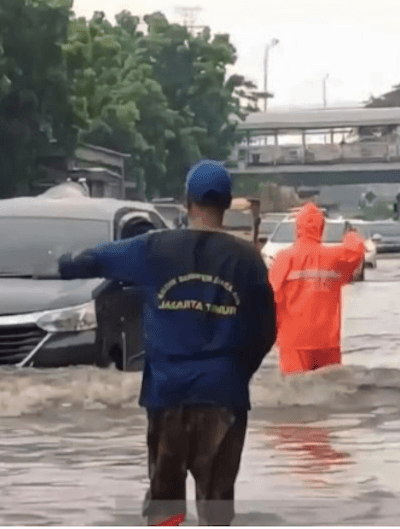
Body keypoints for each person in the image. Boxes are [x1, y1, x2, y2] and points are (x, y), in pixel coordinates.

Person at [58, 160, 277, 526]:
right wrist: (236, 372)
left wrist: (64, 263)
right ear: (225, 204)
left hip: (167, 395)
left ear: (187, 201)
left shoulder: (153, 249)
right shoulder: (249, 262)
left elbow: (94, 260)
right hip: (224, 395)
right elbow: (266, 332)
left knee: (165, 506)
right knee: (217, 510)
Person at [268, 203, 365, 375]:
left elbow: (268, 297)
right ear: (322, 228)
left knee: (295, 390)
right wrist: (351, 234)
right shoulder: (334, 257)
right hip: (327, 341)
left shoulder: (285, 258)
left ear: (298, 227)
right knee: (330, 389)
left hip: (294, 341)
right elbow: (356, 250)